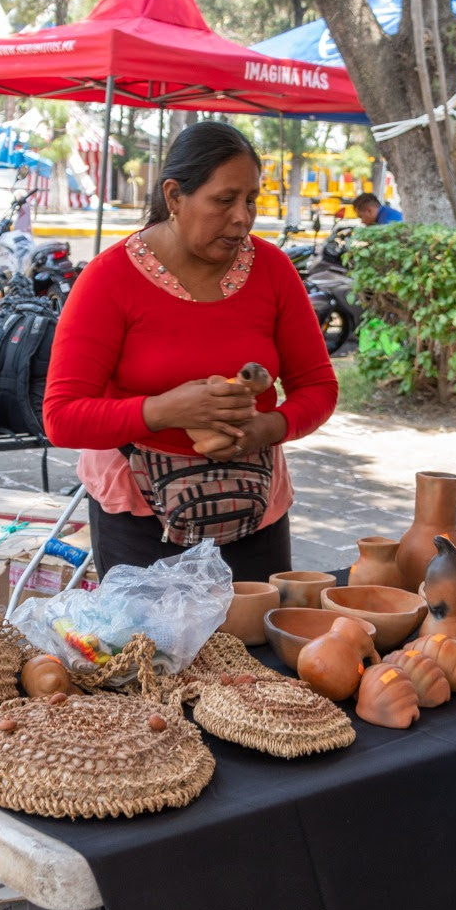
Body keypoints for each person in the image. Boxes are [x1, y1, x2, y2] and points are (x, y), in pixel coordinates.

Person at [43, 121, 338, 580]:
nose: (242, 217)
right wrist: (165, 410)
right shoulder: (109, 279)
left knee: (254, 651)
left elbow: (318, 386)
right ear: (175, 196)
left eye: (251, 199)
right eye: (224, 200)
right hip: (140, 522)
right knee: (153, 651)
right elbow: (63, 417)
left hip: (254, 513)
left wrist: (269, 426)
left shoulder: (273, 270)